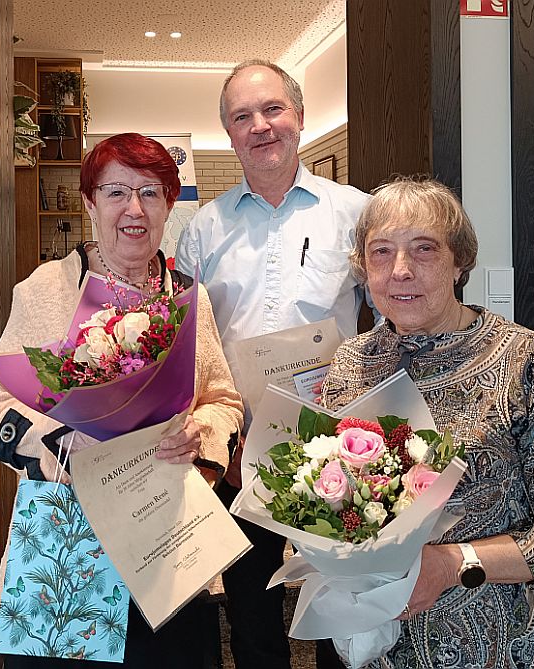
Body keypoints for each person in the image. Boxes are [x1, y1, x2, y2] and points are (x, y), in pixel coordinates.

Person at [0, 133, 243, 668]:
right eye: (116, 192)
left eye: (150, 192)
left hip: (168, 537)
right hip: (66, 544)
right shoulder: (45, 289)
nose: (134, 209)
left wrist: (201, 435)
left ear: (169, 203)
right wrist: (61, 440)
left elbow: (222, 400)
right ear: (90, 202)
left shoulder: (187, 297)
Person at [321, 177, 534, 668]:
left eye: (423, 249)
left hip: (502, 648)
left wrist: (453, 564)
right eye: (381, 252)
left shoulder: (523, 360)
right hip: (380, 648)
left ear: (459, 261)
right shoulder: (351, 364)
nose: (400, 270)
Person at [175, 59, 370, 668]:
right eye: (242, 117)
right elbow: (187, 342)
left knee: (343, 611)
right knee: (253, 616)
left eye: (272, 109)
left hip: (338, 446)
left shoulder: (356, 212)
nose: (259, 126)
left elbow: (392, 316)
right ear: (229, 133)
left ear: (300, 117)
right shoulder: (202, 230)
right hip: (239, 451)